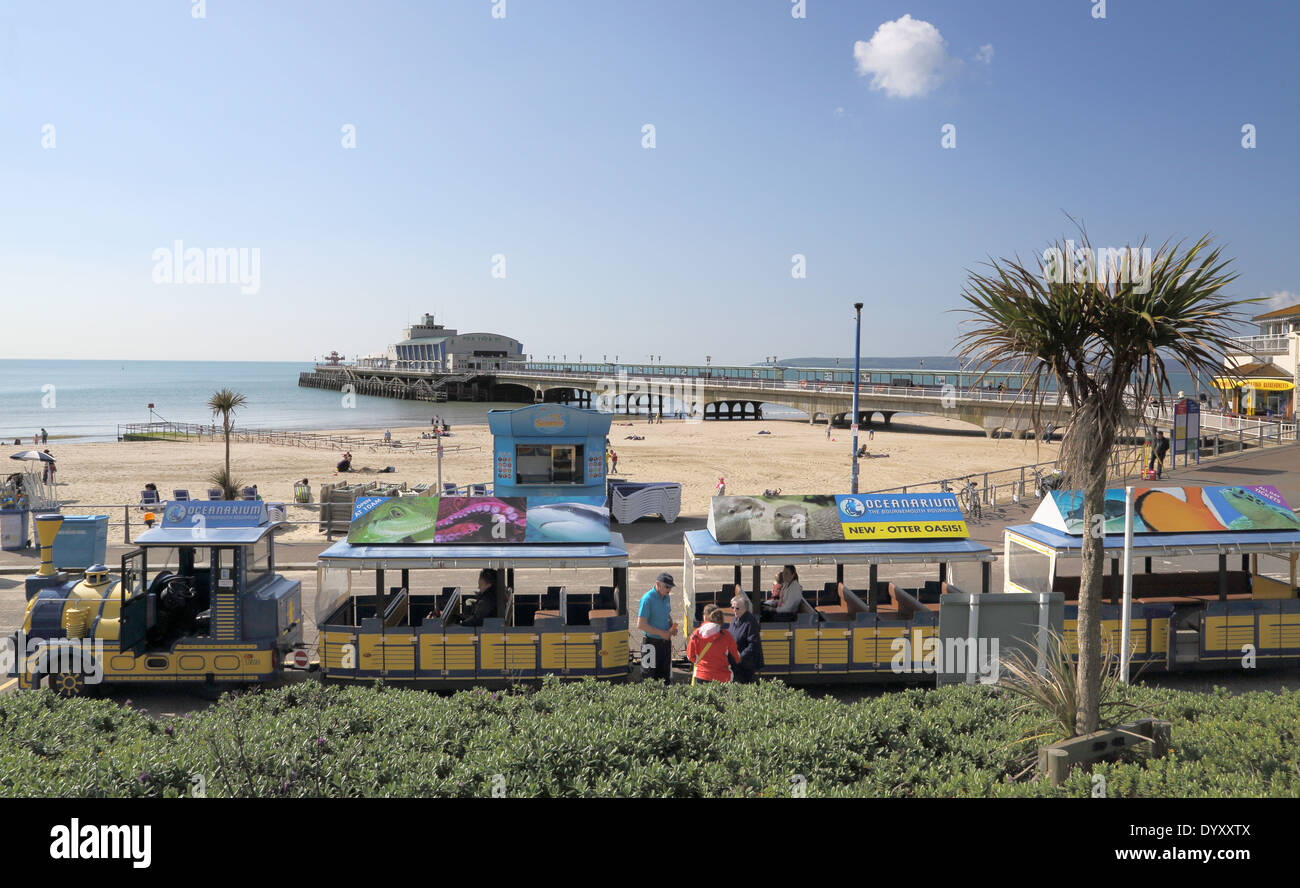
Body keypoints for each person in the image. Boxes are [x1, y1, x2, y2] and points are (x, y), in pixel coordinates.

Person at [638, 572, 678, 685]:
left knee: (665, 677)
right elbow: (641, 624)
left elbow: (667, 614)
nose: (669, 590)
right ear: (658, 584)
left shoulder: (666, 597)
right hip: (651, 643)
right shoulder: (647, 599)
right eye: (667, 586)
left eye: (670, 587)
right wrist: (661, 633)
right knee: (648, 678)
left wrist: (671, 626)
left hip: (665, 643)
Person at [686, 605, 740, 684]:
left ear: (706, 617)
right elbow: (736, 657)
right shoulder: (726, 635)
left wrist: (700, 661)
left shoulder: (696, 633)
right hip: (723, 676)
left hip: (702, 674)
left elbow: (690, 656)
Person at [727, 593, 763, 682]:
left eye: (737, 608)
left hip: (746, 665)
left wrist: (740, 657)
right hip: (736, 664)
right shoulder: (736, 618)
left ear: (745, 608)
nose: (734, 610)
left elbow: (753, 644)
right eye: (733, 607)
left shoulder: (750, 622)